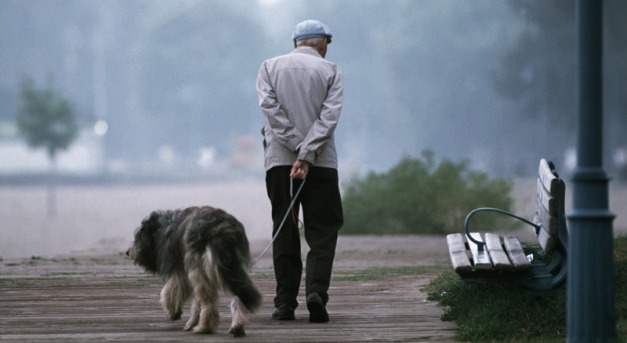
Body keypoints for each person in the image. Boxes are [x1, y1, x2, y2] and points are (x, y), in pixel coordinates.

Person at [256, 19, 344, 323]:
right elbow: (329, 118)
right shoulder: (331, 70)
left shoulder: (268, 67)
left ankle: (284, 304)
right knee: (323, 230)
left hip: (280, 162)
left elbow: (271, 111)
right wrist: (307, 154)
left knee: (285, 227)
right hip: (321, 164)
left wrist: (294, 148)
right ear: (321, 43)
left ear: (297, 43)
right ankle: (316, 293)